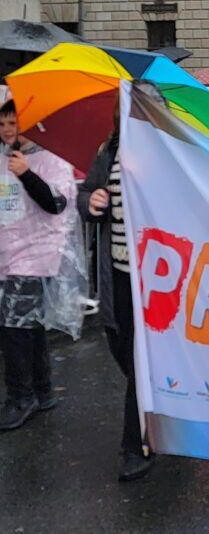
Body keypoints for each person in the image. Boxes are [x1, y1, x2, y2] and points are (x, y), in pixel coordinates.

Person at [78, 98, 152, 481]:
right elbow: (84, 194)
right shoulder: (108, 152)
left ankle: (135, 445)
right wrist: (91, 201)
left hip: (154, 279)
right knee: (120, 345)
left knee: (141, 359)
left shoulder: (165, 153)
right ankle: (154, 406)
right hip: (116, 274)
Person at [0, 100, 82, 430]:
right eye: (2, 123)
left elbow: (56, 204)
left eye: (13, 123)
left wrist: (27, 174)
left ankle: (21, 397)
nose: (7, 129)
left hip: (36, 255)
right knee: (28, 324)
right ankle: (43, 391)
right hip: (9, 254)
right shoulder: (5, 158)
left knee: (13, 325)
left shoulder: (49, 159)